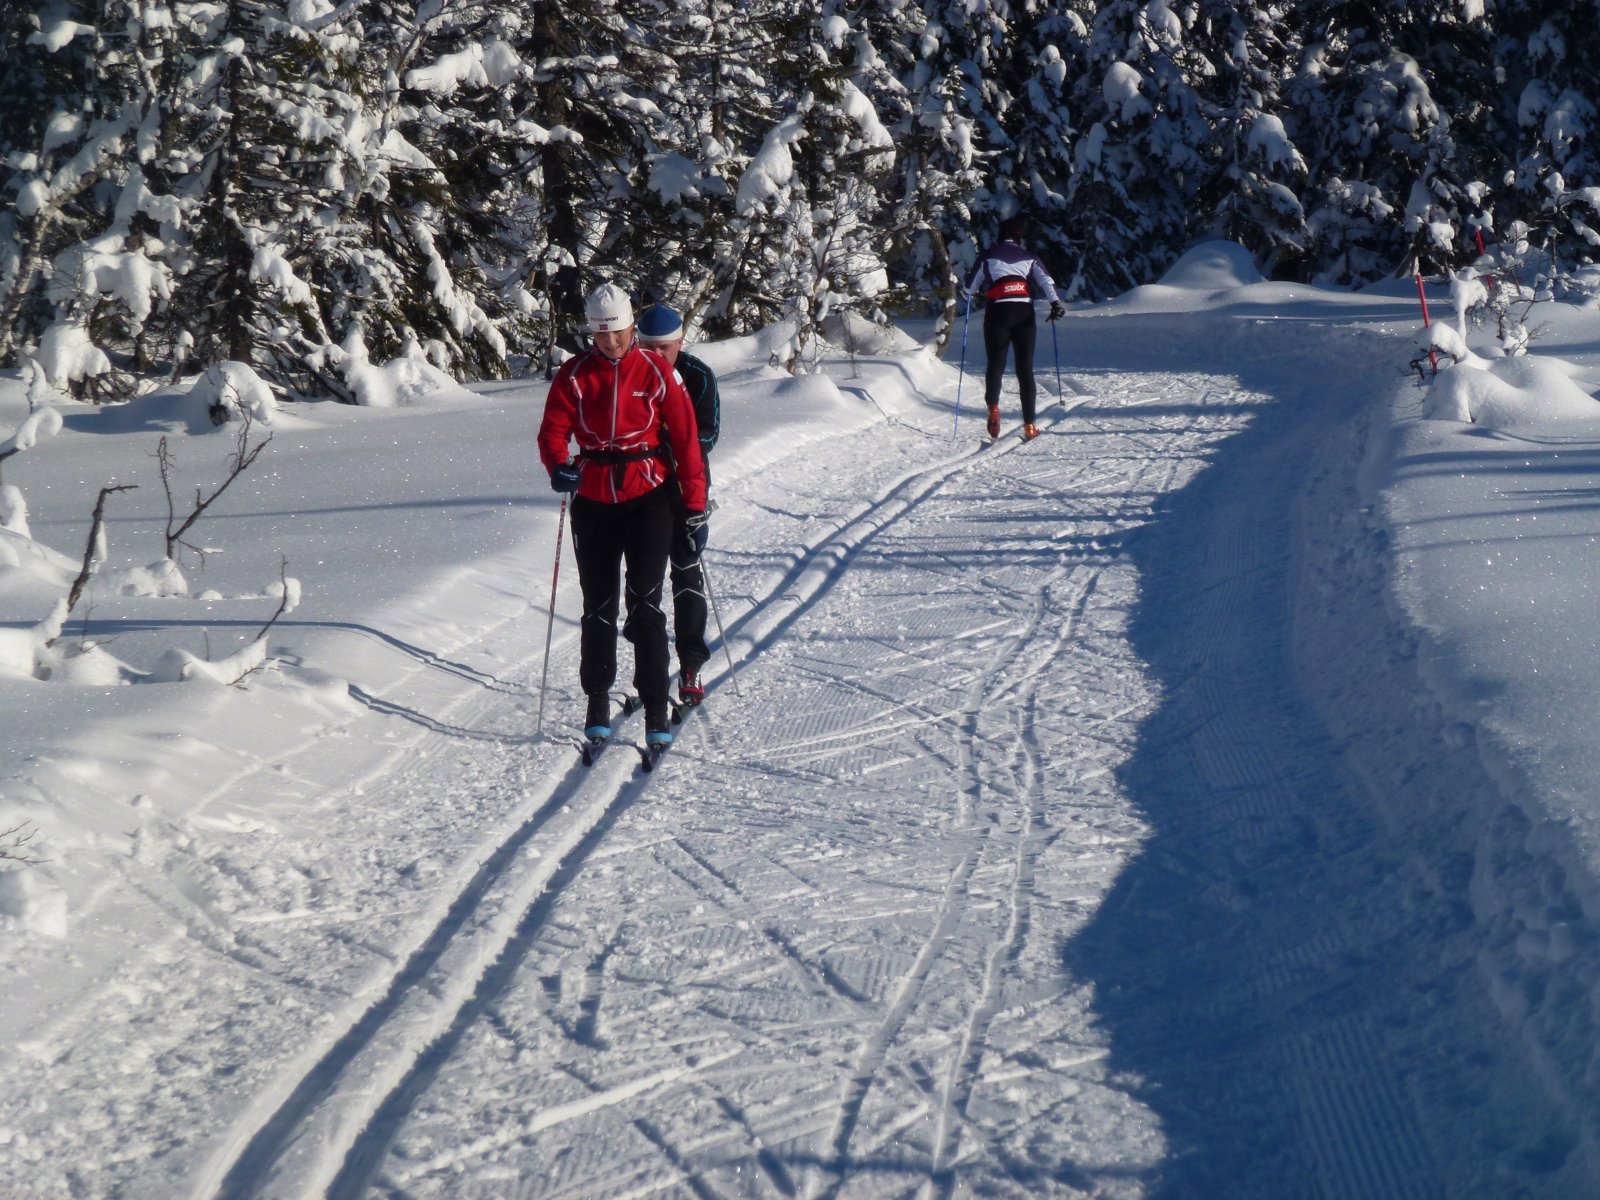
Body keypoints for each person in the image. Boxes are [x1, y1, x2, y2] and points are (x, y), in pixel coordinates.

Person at [539, 283, 708, 747]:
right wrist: (559, 466)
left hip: (648, 496)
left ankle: (655, 705)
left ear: (632, 328)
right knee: (598, 607)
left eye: (617, 333)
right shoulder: (574, 375)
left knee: (646, 604)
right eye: (600, 336)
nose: (610, 344)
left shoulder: (657, 371)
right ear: (590, 334)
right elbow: (553, 430)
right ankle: (597, 699)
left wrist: (693, 505)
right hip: (593, 499)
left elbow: (688, 440)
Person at [636, 302, 720, 706]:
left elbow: (709, 433)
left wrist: (673, 444)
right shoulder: (629, 372)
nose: (654, 356)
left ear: (679, 343)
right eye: (647, 347)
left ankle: (690, 663)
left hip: (687, 487)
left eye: (663, 348)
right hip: (641, 490)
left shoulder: (698, 375)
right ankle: (647, 671)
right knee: (643, 583)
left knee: (686, 572)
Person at [965, 213, 1064, 441]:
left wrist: (970, 291)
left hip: (998, 312)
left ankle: (993, 408)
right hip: (1023, 313)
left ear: (1000, 236)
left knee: (996, 364)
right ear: (1019, 238)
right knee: (1025, 369)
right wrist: (1055, 303)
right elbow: (1046, 281)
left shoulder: (988, 256)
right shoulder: (1029, 257)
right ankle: (1029, 425)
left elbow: (969, 288)